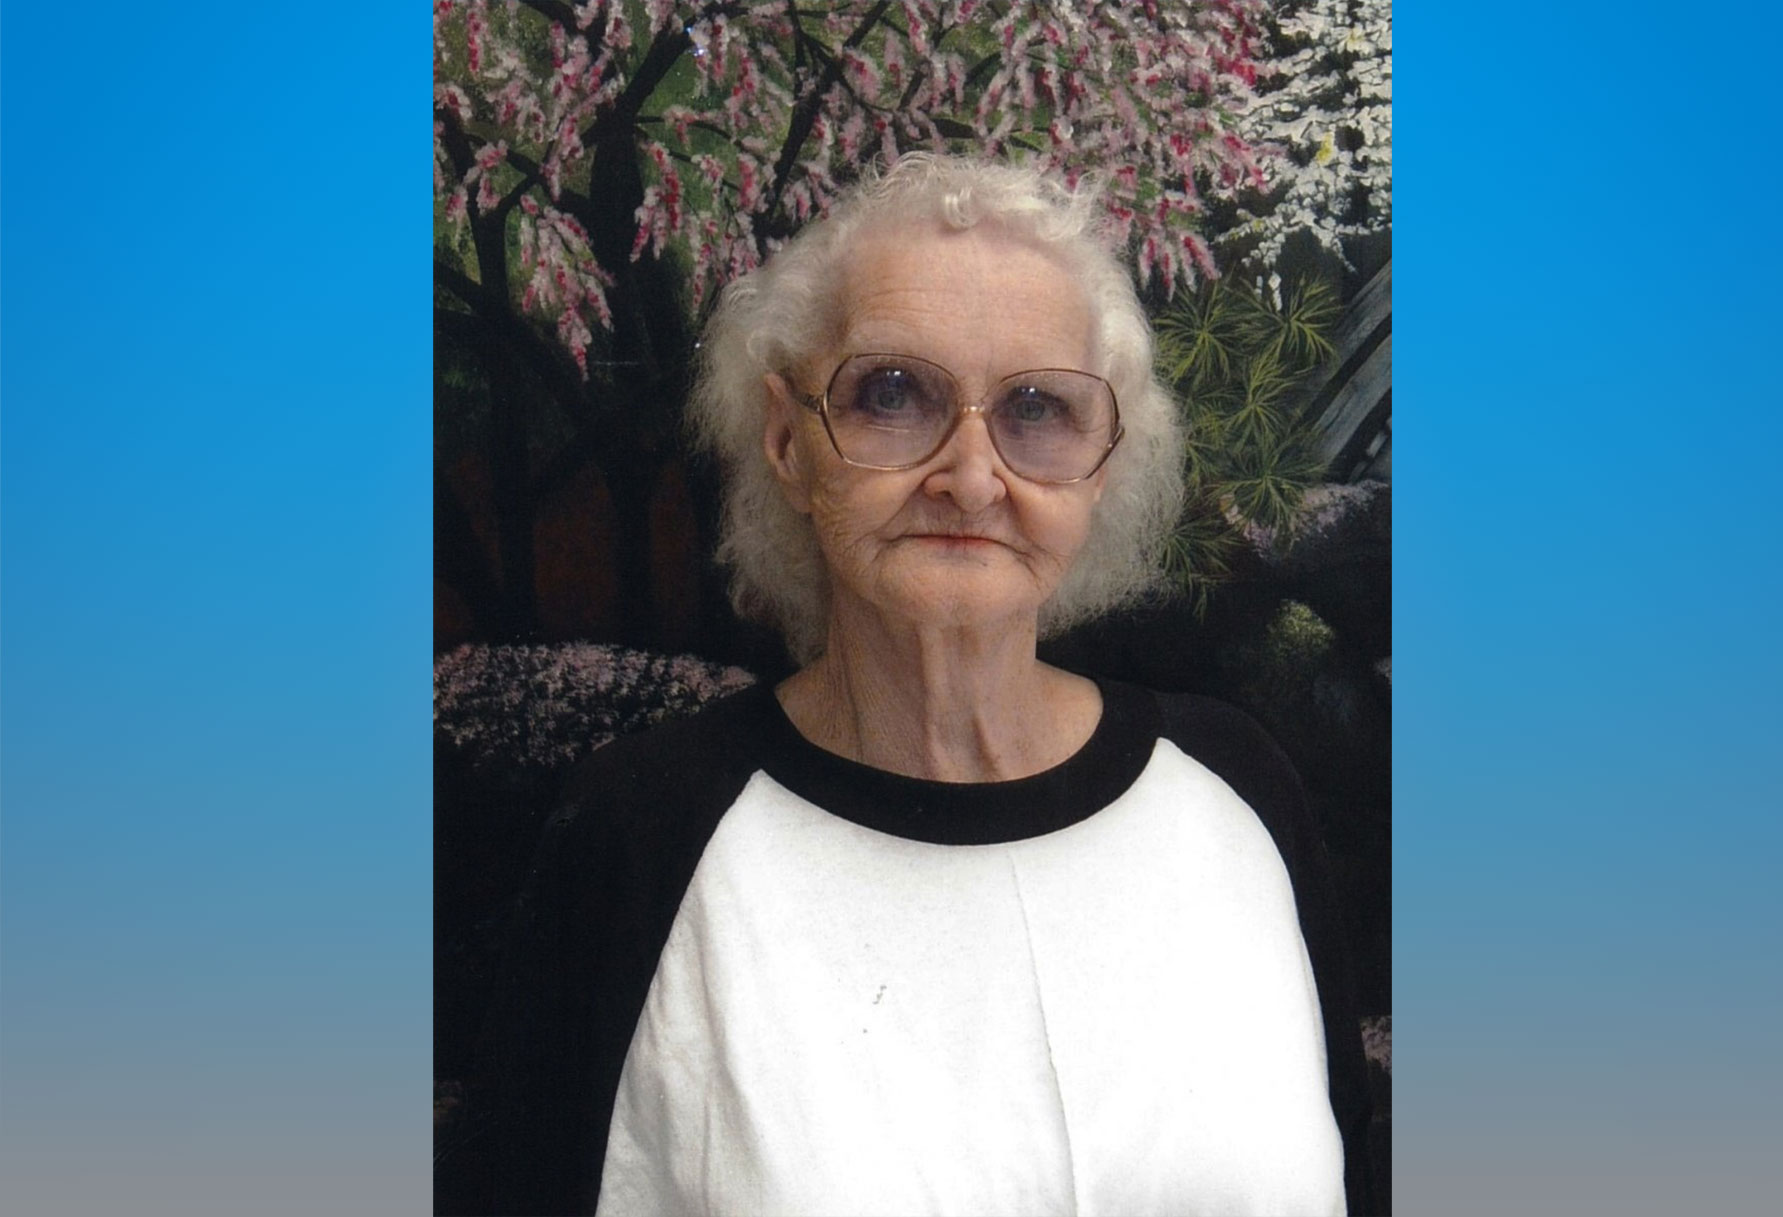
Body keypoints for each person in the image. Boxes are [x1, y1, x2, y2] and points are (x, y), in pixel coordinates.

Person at [435, 154, 1374, 1216]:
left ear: (1102, 462)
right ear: (788, 442)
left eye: (1036, 408)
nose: (970, 478)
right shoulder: (642, 829)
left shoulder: (1235, 787)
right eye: (891, 394)